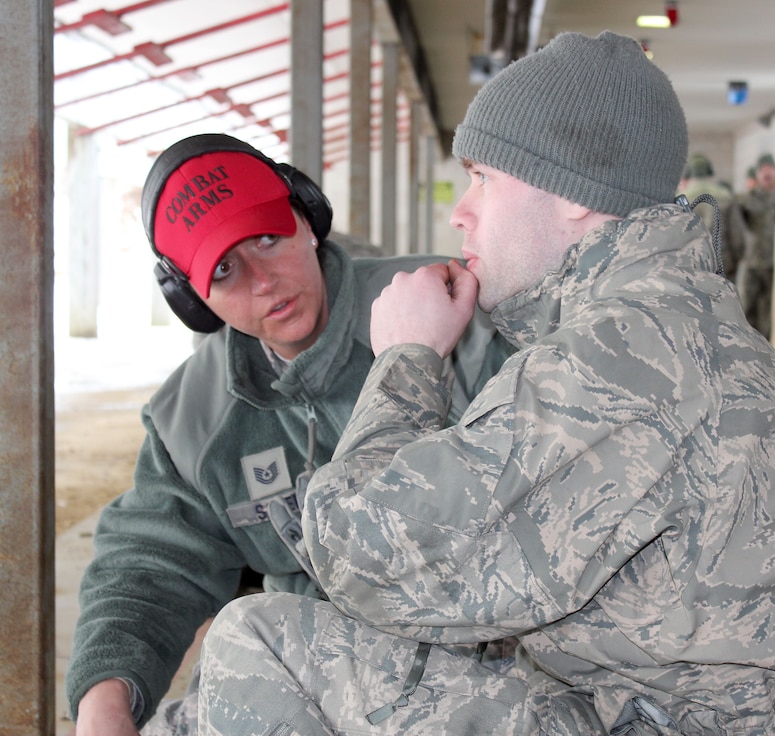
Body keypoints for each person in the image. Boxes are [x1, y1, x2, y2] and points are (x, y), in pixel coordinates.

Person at [193, 32, 775, 735]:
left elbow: (361, 556)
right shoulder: (674, 323)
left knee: (259, 642)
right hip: (683, 710)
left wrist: (406, 358)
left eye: (483, 177)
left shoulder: (620, 357)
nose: (459, 212)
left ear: (573, 192)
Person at [64, 133, 512, 735]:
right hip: (309, 669)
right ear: (191, 299)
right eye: (224, 269)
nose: (263, 281)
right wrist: (104, 706)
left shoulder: (458, 312)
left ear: (308, 218)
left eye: (268, 238)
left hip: (481, 659)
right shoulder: (191, 417)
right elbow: (150, 563)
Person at [736, 153, 775, 338]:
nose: (766, 174)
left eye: (769, 169)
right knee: (746, 308)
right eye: (762, 170)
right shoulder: (748, 199)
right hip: (752, 262)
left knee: (774, 312)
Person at [678, 152, 746, 281]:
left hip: (689, 265)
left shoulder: (679, 198)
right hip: (722, 263)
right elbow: (738, 236)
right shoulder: (725, 196)